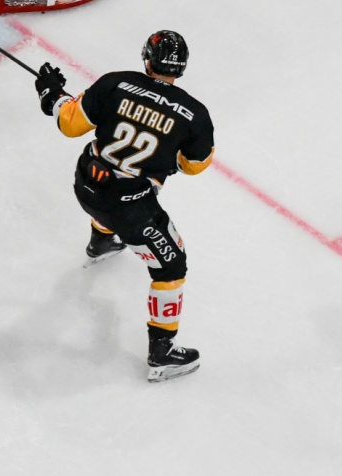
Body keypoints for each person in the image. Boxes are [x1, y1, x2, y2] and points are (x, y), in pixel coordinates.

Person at [35, 31, 215, 381]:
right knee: (171, 266)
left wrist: (52, 94)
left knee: (107, 196)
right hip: (130, 208)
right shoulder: (195, 114)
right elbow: (195, 165)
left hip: (86, 186)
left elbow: (69, 123)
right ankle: (162, 351)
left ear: (147, 58)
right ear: (181, 67)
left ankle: (102, 240)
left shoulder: (115, 83)